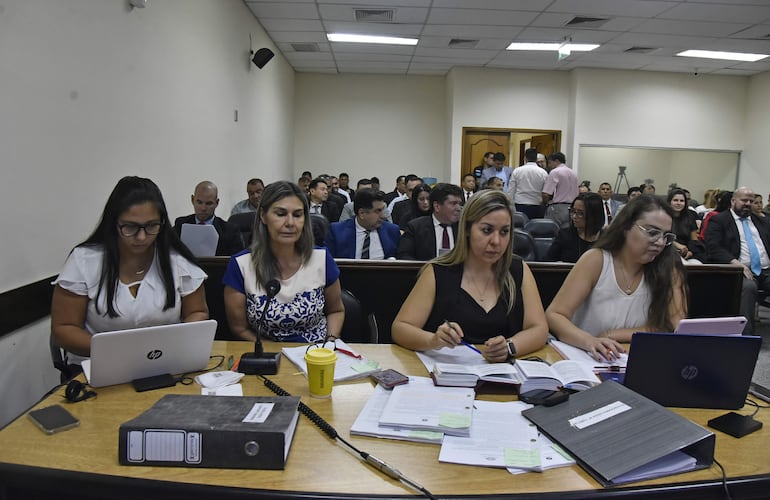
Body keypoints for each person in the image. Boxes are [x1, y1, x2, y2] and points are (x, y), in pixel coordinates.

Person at [51, 176, 209, 360]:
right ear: (113, 223)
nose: (141, 237)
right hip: (99, 365)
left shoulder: (177, 262)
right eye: (130, 227)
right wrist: (123, 353)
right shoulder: (84, 261)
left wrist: (172, 343)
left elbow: (198, 312)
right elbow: (64, 329)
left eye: (151, 226)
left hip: (162, 362)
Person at [392, 189, 548, 361]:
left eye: (504, 232)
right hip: (449, 378)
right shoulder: (438, 271)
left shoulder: (518, 269)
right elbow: (401, 328)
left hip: (503, 378)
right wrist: (433, 340)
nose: (496, 241)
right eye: (487, 230)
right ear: (466, 229)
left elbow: (539, 329)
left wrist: (510, 347)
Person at [546, 195, 687, 361]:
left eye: (666, 236)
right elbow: (555, 315)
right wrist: (590, 340)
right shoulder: (596, 260)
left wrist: (613, 335)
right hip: (587, 358)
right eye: (652, 232)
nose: (660, 242)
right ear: (626, 226)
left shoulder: (669, 267)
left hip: (637, 359)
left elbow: (674, 326)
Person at [223, 181, 344, 343]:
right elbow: (239, 328)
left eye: (297, 215)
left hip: (316, 353)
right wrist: (274, 353)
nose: (290, 223)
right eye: (280, 214)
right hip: (267, 356)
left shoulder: (321, 258)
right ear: (263, 216)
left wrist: (329, 343)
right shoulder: (241, 265)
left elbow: (336, 310)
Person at [704, 187, 770, 336]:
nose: (748, 204)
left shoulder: (762, 221)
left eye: (751, 201)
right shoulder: (719, 220)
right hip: (738, 270)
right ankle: (747, 338)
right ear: (733, 200)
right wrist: (735, 263)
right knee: (748, 288)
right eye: (744, 200)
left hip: (765, 270)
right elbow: (713, 247)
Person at [324, 189, 400, 259]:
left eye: (383, 209)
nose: (383, 216)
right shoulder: (337, 232)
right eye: (378, 211)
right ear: (362, 213)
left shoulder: (392, 231)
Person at [397, 183, 462, 260]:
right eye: (453, 203)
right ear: (437, 206)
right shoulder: (415, 228)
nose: (458, 208)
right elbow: (404, 256)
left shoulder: (463, 227)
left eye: (459, 203)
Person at [173, 180, 231, 256]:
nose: (203, 208)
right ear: (192, 200)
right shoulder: (180, 225)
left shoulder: (230, 231)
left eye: (209, 203)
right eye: (199, 202)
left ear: (217, 203)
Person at [546, 193, 603, 263]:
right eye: (573, 211)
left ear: (594, 215)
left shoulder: (607, 239)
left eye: (580, 213)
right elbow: (547, 262)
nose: (574, 216)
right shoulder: (565, 235)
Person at [542, 152, 579, 228]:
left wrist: (544, 203)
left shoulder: (555, 172)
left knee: (552, 231)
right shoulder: (573, 173)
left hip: (557, 209)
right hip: (572, 207)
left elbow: (546, 194)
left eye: (550, 163)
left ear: (556, 161)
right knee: (568, 233)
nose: (549, 166)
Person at [509, 148, 547, 219]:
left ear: (525, 158)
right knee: (535, 227)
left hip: (520, 204)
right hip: (537, 205)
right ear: (536, 159)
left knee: (520, 226)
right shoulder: (543, 172)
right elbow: (545, 191)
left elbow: (511, 190)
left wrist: (510, 206)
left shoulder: (517, 171)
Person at [667, 188, 703, 263]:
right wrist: (677, 245)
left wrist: (691, 252)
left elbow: (694, 240)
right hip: (668, 251)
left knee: (697, 264)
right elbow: (662, 236)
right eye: (675, 200)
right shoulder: (663, 216)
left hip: (687, 252)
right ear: (669, 202)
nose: (679, 203)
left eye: (682, 201)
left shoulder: (690, 216)